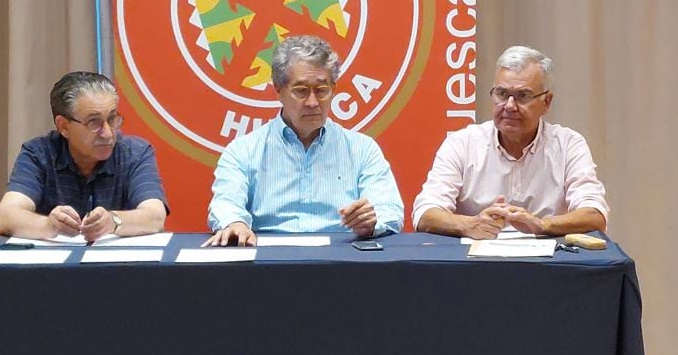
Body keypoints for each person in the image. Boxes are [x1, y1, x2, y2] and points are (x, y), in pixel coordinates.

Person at [204, 35, 404, 247]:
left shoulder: (362, 149)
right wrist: (235, 223)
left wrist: (372, 222)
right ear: (279, 91)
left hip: (342, 260)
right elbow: (225, 202)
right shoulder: (243, 150)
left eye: (321, 90)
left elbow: (390, 210)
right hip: (268, 261)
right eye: (301, 91)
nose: (312, 102)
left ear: (333, 89)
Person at [413, 45, 608, 239]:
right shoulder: (462, 144)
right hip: (475, 264)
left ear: (546, 102)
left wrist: (541, 225)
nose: (509, 106)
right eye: (502, 94)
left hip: (550, 265)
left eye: (523, 96)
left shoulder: (568, 145)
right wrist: (470, 225)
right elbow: (425, 214)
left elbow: (594, 215)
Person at [0, 71, 168, 241]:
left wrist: (113, 221)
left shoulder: (135, 153)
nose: (107, 133)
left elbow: (155, 216)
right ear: (64, 126)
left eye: (112, 119)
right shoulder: (39, 154)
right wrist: (48, 225)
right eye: (94, 122)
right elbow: (5, 216)